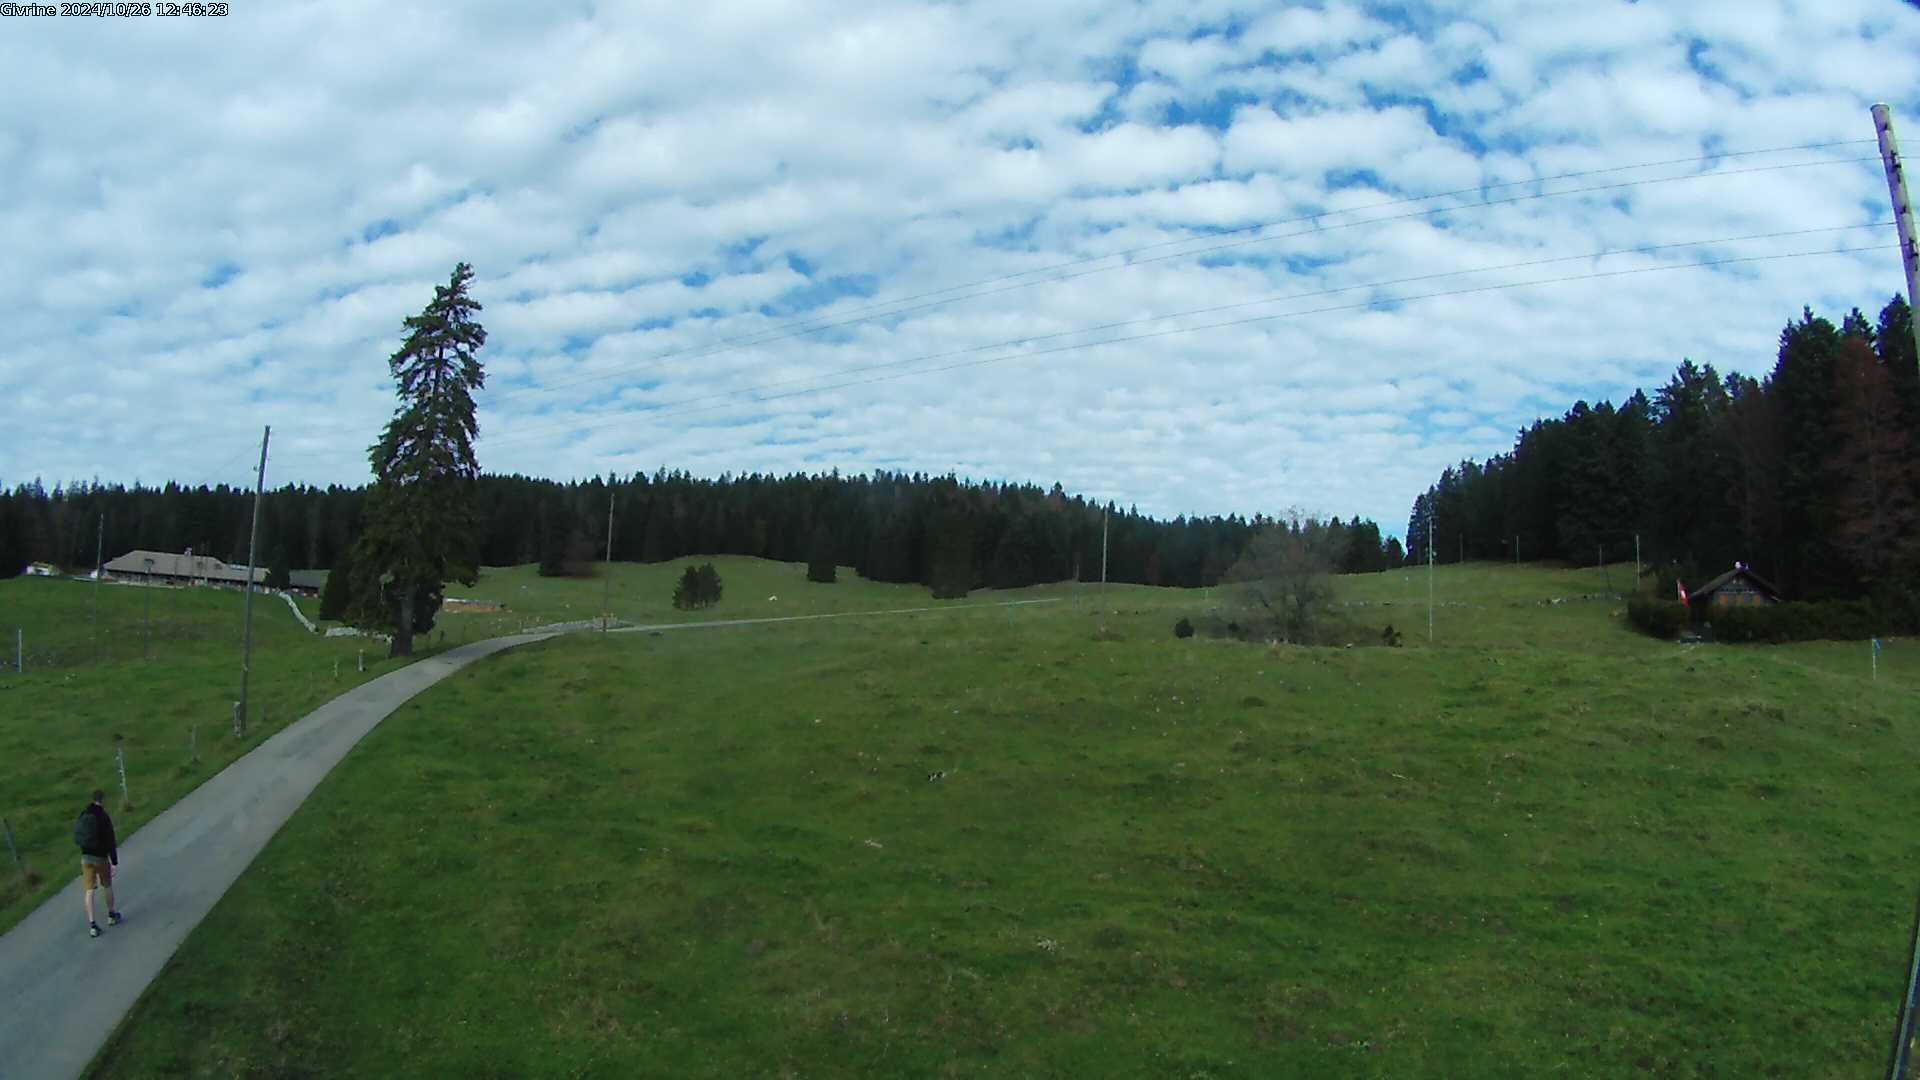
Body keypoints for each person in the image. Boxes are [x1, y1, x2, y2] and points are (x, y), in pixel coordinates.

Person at [74, 789, 123, 939]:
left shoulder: (84, 814)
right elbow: (110, 840)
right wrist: (114, 862)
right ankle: (111, 914)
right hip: (100, 857)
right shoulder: (103, 816)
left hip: (85, 857)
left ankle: (93, 925)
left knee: (89, 890)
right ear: (103, 800)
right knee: (107, 885)